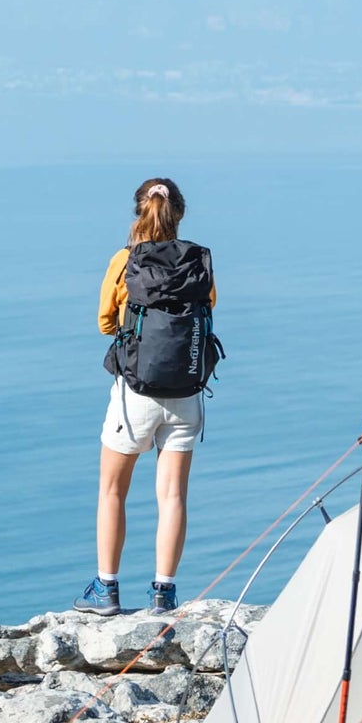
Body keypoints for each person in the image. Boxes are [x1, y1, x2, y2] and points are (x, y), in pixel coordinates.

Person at [76, 177, 219, 616]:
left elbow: (105, 322)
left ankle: (106, 590)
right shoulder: (198, 260)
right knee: (173, 495)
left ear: (139, 212)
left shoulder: (124, 261)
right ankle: (164, 592)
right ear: (179, 213)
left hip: (134, 392)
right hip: (186, 393)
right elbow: (209, 308)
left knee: (112, 491)